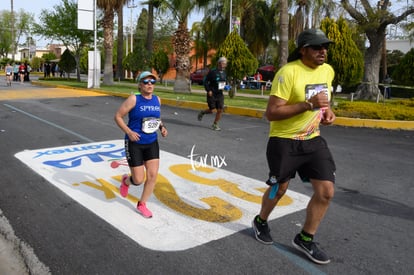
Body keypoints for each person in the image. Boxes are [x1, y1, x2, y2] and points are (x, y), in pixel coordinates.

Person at [252, 29, 336, 265]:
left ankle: (305, 237)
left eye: (325, 47)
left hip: (313, 139)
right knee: (278, 189)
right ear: (303, 49)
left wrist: (328, 111)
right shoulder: (287, 73)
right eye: (318, 47)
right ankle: (261, 220)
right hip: (284, 142)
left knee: (326, 192)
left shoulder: (328, 71)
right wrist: (308, 104)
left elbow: (325, 102)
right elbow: (272, 113)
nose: (323, 51)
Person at [114, 71, 168, 218]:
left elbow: (156, 118)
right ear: (139, 84)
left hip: (151, 142)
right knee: (138, 180)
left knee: (152, 176)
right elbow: (118, 116)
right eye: (146, 82)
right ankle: (126, 181)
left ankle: (142, 204)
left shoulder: (157, 99)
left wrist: (162, 127)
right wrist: (129, 131)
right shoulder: (134, 99)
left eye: (152, 82)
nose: (150, 84)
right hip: (134, 143)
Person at [197, 57, 228, 131]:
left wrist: (226, 87)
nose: (224, 65)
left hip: (220, 94)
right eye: (223, 63)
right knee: (212, 110)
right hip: (212, 93)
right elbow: (205, 81)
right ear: (219, 63)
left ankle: (215, 124)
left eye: (225, 63)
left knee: (220, 109)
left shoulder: (224, 73)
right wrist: (208, 90)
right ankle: (203, 112)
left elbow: (224, 83)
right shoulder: (213, 72)